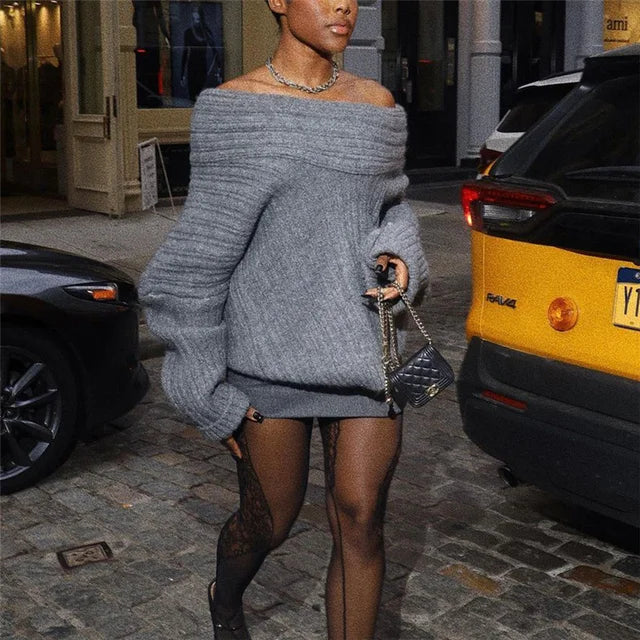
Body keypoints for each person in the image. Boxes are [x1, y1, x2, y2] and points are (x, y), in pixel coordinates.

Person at [138, 1, 429, 638]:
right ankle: (225, 596)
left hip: (360, 348)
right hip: (266, 356)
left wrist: (400, 253)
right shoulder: (234, 109)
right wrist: (204, 387)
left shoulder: (376, 105)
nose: (344, 5)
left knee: (360, 519)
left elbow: (391, 206)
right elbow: (195, 263)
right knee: (268, 521)